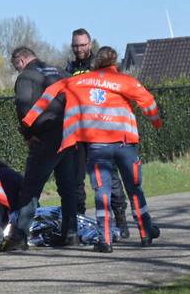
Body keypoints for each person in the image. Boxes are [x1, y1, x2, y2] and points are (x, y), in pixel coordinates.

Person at [22, 46, 164, 253]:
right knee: (134, 188)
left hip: (97, 147)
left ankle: (104, 240)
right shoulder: (125, 81)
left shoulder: (77, 81)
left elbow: (49, 93)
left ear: (96, 63)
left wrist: (29, 120)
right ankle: (145, 232)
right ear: (114, 63)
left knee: (102, 193)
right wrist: (156, 122)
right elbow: (148, 103)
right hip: (125, 144)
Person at [2, 46, 79, 252]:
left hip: (45, 137)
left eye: (15, 66)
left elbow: (23, 105)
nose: (17, 70)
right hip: (68, 134)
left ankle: (19, 237)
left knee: (31, 189)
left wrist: (28, 135)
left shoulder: (27, 76)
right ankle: (71, 233)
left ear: (20, 61)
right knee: (68, 188)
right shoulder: (60, 72)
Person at [66, 28, 129, 239]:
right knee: (76, 180)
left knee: (109, 176)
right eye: (75, 45)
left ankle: (120, 219)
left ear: (90, 44)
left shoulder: (101, 68)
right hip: (78, 133)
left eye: (82, 45)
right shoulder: (68, 69)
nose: (79, 49)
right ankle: (79, 223)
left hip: (100, 132)